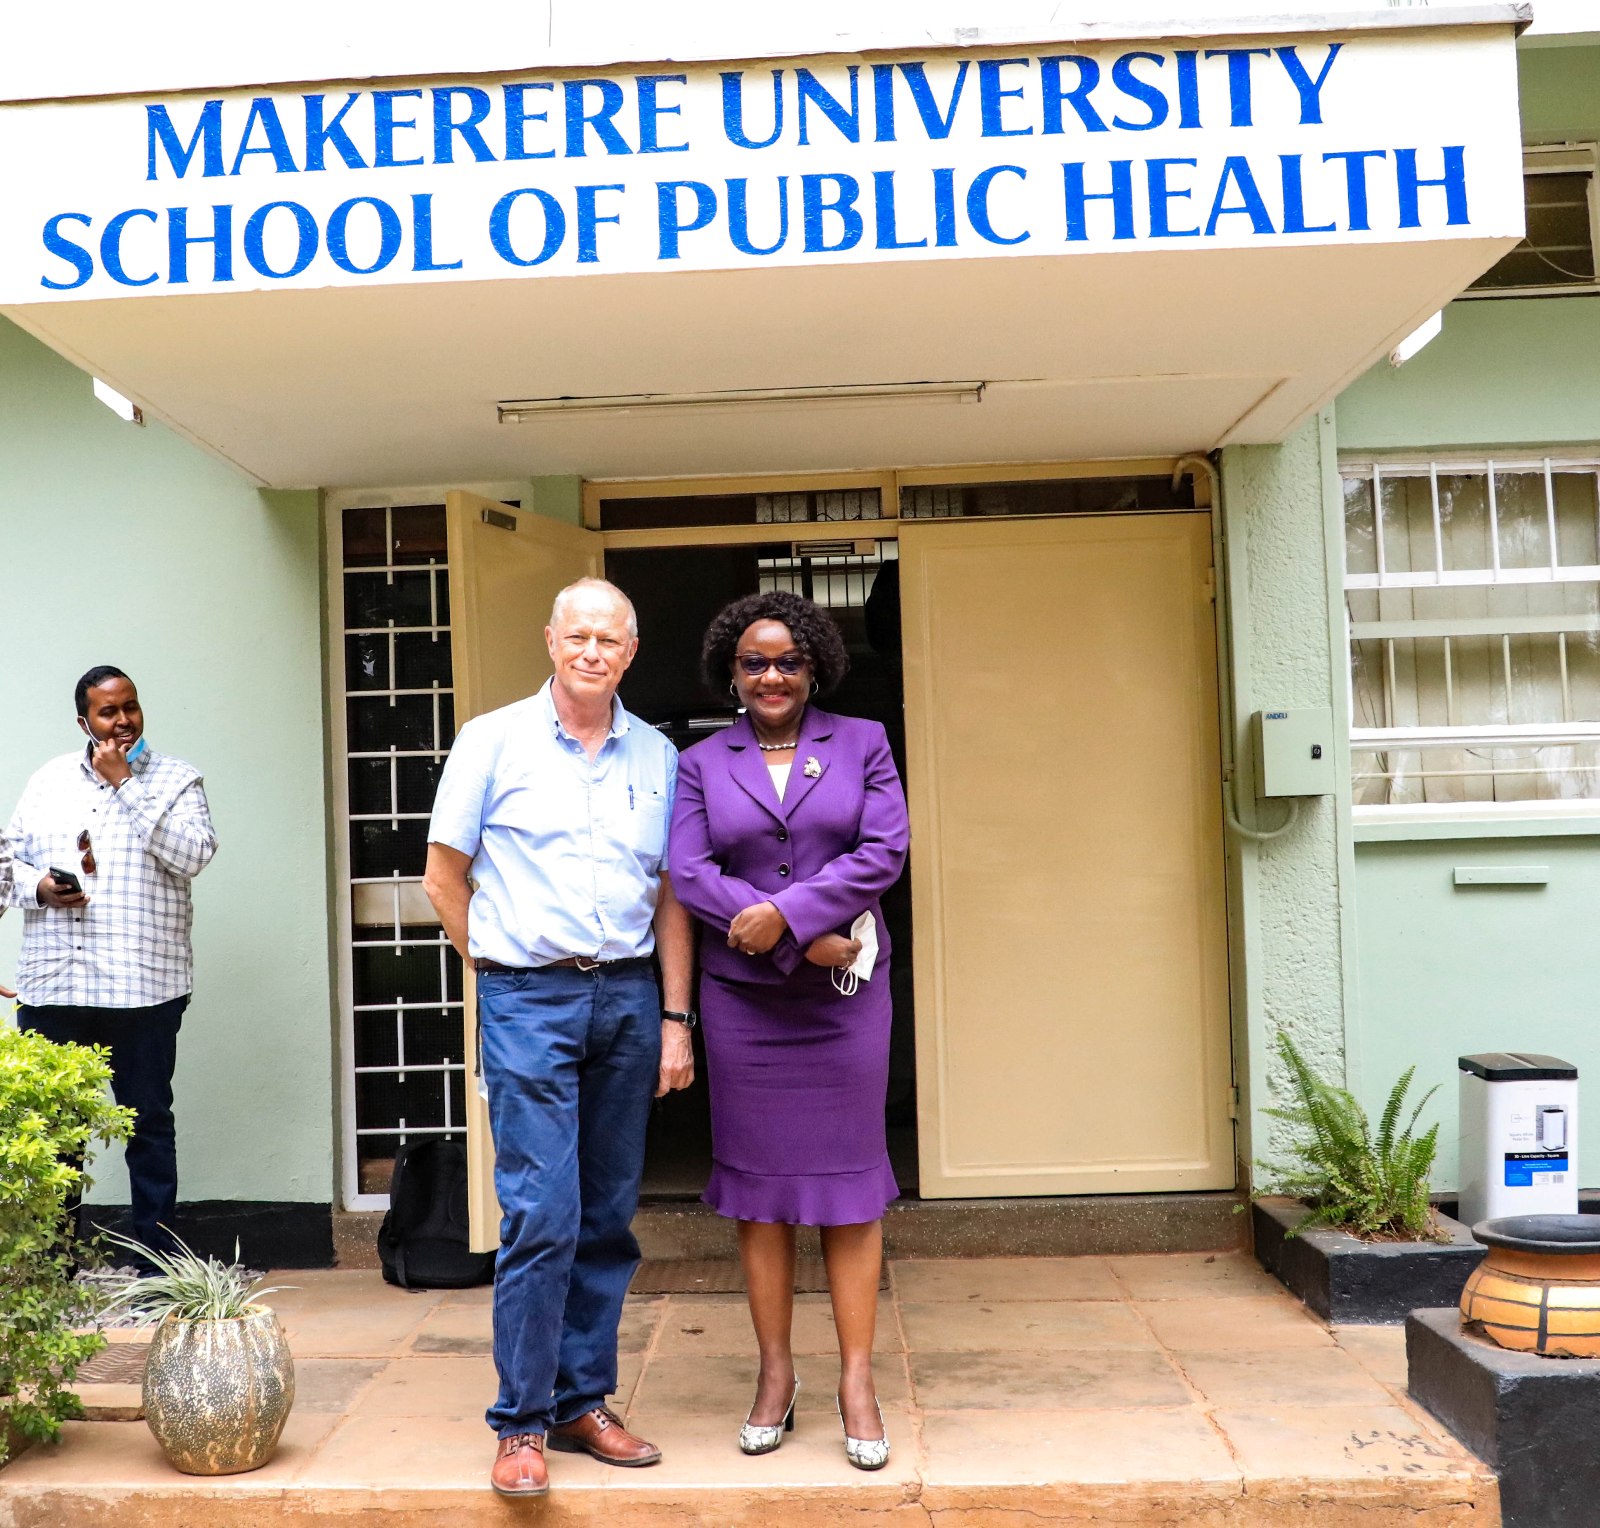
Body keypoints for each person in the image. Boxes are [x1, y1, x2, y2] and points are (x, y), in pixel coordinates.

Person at [423, 577, 696, 1500]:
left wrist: (673, 1016)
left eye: (609, 640)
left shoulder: (657, 754)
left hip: (625, 997)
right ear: (551, 639)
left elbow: (669, 895)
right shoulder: (491, 740)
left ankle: (585, 1402)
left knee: (609, 1215)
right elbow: (442, 877)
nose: (592, 652)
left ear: (630, 649)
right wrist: (497, 969)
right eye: (577, 635)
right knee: (541, 1211)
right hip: (529, 998)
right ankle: (522, 1421)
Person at [667, 590, 909, 1471]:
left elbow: (882, 851)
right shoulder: (700, 761)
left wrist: (793, 921)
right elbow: (690, 873)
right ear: (731, 672)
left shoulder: (865, 743)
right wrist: (787, 937)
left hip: (842, 1000)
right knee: (762, 1197)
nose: (771, 675)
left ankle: (854, 1379)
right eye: (754, 663)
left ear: (815, 668)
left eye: (788, 661)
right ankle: (776, 1375)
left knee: (849, 1192)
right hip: (746, 1005)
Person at [4, 666, 218, 1265]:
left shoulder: (177, 779)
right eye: (107, 711)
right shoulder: (47, 780)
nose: (122, 721)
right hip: (56, 983)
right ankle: (56, 1263)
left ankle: (156, 1262)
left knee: (146, 1123)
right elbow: (6, 865)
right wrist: (41, 887)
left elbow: (193, 855)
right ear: (83, 721)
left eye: (130, 707)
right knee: (55, 1131)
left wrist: (126, 784)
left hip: (142, 987)